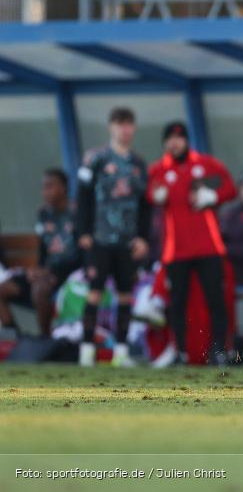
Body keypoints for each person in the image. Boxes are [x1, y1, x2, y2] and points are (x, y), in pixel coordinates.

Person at [147, 121, 237, 366]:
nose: (174, 143)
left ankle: (219, 350)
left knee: (215, 300)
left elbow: (230, 188)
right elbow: (148, 193)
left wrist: (214, 196)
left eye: (179, 138)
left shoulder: (205, 165)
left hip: (208, 247)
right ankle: (180, 351)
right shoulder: (158, 170)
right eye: (170, 139)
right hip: (176, 251)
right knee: (177, 303)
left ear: (186, 141)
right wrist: (155, 196)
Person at [76, 107, 150, 368]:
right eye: (119, 123)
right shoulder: (95, 159)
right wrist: (83, 231)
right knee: (94, 293)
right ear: (111, 127)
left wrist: (143, 237)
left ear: (134, 128)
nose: (124, 129)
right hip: (99, 238)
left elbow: (145, 205)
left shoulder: (139, 164)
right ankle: (86, 351)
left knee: (125, 296)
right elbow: (83, 197)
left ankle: (121, 351)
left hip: (127, 242)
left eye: (128, 124)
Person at [0, 169, 81, 337]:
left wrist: (48, 272)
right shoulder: (43, 214)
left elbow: (80, 255)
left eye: (50, 186)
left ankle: (45, 338)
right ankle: (17, 338)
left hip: (69, 275)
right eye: (43, 187)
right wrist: (36, 270)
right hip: (47, 272)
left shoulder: (77, 214)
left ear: (64, 188)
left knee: (40, 290)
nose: (45, 192)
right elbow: (44, 251)